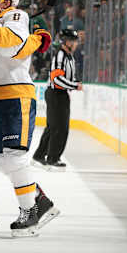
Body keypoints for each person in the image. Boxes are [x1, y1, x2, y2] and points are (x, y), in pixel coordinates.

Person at [0, 0, 59, 237]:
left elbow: (10, 48)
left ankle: (30, 213)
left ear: (7, 1)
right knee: (3, 161)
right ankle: (40, 201)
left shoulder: (16, 16)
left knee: (15, 157)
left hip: (16, 95)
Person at [32, 29, 82, 171]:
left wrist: (74, 82)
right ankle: (51, 158)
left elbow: (67, 77)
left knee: (58, 127)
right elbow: (57, 79)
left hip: (61, 94)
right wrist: (74, 85)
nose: (76, 44)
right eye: (73, 41)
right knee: (57, 127)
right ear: (66, 41)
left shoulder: (69, 57)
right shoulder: (60, 56)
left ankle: (41, 155)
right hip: (55, 94)